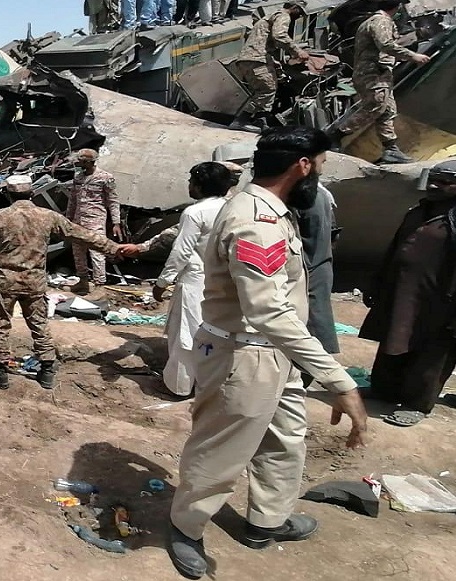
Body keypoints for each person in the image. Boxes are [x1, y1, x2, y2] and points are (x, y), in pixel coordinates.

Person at [166, 126, 367, 579]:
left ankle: (267, 521)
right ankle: (186, 527)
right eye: (321, 166)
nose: (319, 175)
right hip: (244, 357)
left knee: (284, 441)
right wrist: (338, 379)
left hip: (276, 354)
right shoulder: (256, 221)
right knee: (220, 451)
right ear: (303, 166)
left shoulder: (274, 211)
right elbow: (266, 309)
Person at [0, 174, 128, 390]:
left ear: (9, 195)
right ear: (32, 193)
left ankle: (0, 371)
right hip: (34, 282)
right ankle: (47, 370)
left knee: (0, 323)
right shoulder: (48, 216)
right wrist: (113, 248)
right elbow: (82, 235)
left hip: (5, 282)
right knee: (39, 323)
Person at [358, 160, 456, 426]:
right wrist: (377, 283)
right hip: (402, 292)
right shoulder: (419, 211)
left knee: (432, 352)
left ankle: (417, 403)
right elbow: (395, 249)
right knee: (394, 340)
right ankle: (384, 390)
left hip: (440, 301)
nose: (434, 186)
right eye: (433, 180)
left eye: (445, 183)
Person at [151, 163, 233, 397]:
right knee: (215, 333)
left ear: (199, 185)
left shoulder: (194, 213)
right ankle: (207, 384)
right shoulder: (230, 208)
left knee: (185, 334)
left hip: (195, 281)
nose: (188, 186)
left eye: (191, 181)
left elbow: (181, 252)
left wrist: (162, 282)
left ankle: (179, 386)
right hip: (223, 281)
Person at [327, 0, 431, 164]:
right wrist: (413, 56)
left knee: (387, 111)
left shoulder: (378, 21)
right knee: (375, 106)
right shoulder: (380, 21)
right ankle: (336, 135)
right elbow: (386, 45)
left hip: (380, 74)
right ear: (397, 6)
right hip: (372, 74)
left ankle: (390, 149)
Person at [230, 3, 310, 132]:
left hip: (251, 58)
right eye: (300, 12)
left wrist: (272, 61)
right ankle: (241, 121)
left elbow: (262, 41)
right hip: (256, 59)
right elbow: (279, 35)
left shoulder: (270, 16)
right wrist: (298, 51)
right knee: (267, 89)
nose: (299, 16)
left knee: (269, 87)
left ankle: (261, 121)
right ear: (294, 8)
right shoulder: (283, 16)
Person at [67, 148, 122, 292]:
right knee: (78, 251)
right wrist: (68, 219)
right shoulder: (78, 177)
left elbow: (113, 200)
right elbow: (72, 200)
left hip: (95, 220)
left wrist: (116, 222)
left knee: (97, 252)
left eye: (81, 161)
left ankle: (99, 284)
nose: (78, 163)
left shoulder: (105, 178)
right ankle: (83, 281)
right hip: (78, 220)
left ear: (88, 162)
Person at [296, 183, 339, 357]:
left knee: (310, 330)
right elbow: (334, 234)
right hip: (320, 265)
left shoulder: (301, 196)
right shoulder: (322, 194)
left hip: (308, 270)